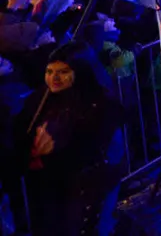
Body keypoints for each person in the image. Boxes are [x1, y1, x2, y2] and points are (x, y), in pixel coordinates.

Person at [14, 42, 125, 235]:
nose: (54, 78)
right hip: (52, 188)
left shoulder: (100, 105)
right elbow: (22, 131)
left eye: (64, 71)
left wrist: (54, 152)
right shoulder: (41, 99)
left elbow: (94, 148)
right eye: (49, 71)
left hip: (87, 187)